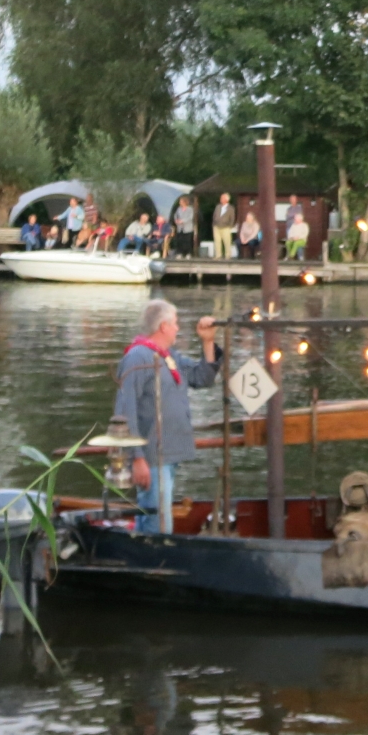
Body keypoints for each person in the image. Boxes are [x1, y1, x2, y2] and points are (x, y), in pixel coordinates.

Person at [111, 300, 220, 535]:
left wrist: (207, 341)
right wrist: (137, 458)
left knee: (156, 515)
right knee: (158, 522)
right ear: (163, 326)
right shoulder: (137, 358)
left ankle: (145, 554)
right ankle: (153, 561)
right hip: (152, 456)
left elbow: (202, 378)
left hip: (169, 451)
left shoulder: (169, 356)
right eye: (175, 323)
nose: (178, 328)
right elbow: (124, 411)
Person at [212, 193, 236, 260]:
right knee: (217, 241)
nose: (220, 199)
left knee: (227, 241)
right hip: (216, 226)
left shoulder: (231, 208)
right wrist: (214, 223)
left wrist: (230, 226)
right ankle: (218, 255)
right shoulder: (218, 206)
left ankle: (228, 255)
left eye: (222, 198)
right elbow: (214, 215)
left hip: (226, 227)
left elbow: (232, 218)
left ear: (226, 199)